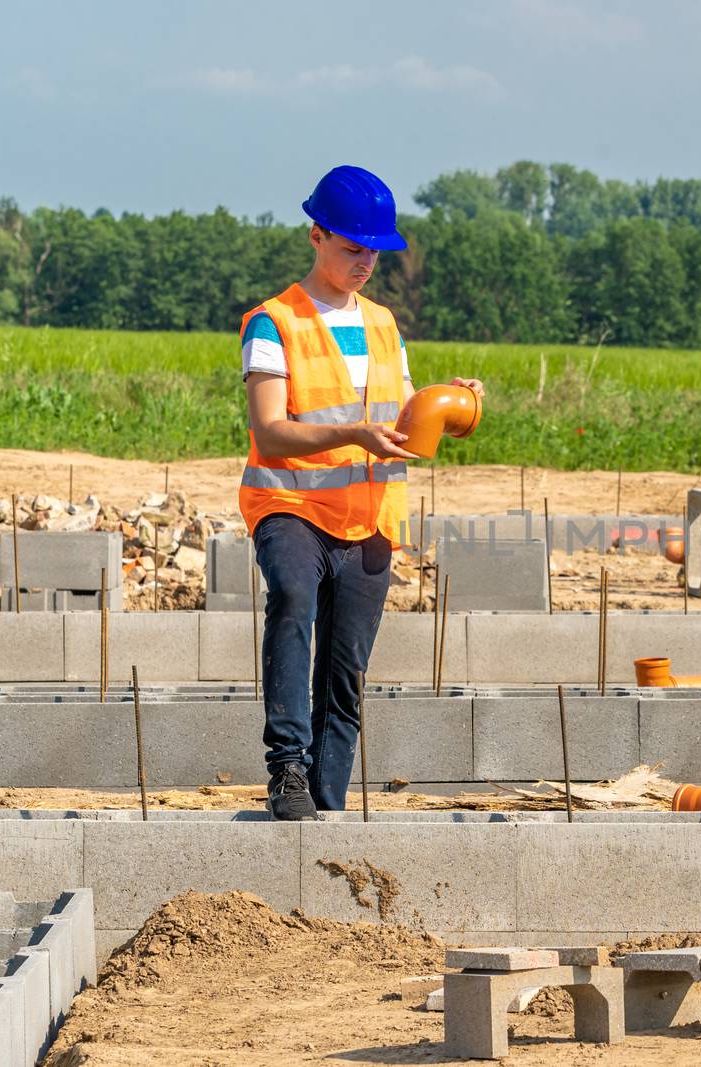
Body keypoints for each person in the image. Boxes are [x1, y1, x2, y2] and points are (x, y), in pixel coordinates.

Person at [239, 165, 484, 821]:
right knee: (292, 600)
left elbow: (403, 420)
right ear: (316, 235)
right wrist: (352, 433)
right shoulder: (274, 323)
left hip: (370, 517)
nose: (365, 262)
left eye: (375, 251)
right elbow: (270, 431)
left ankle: (329, 796)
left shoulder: (382, 324)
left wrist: (451, 405)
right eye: (353, 248)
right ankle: (287, 766)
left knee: (345, 667)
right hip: (291, 506)